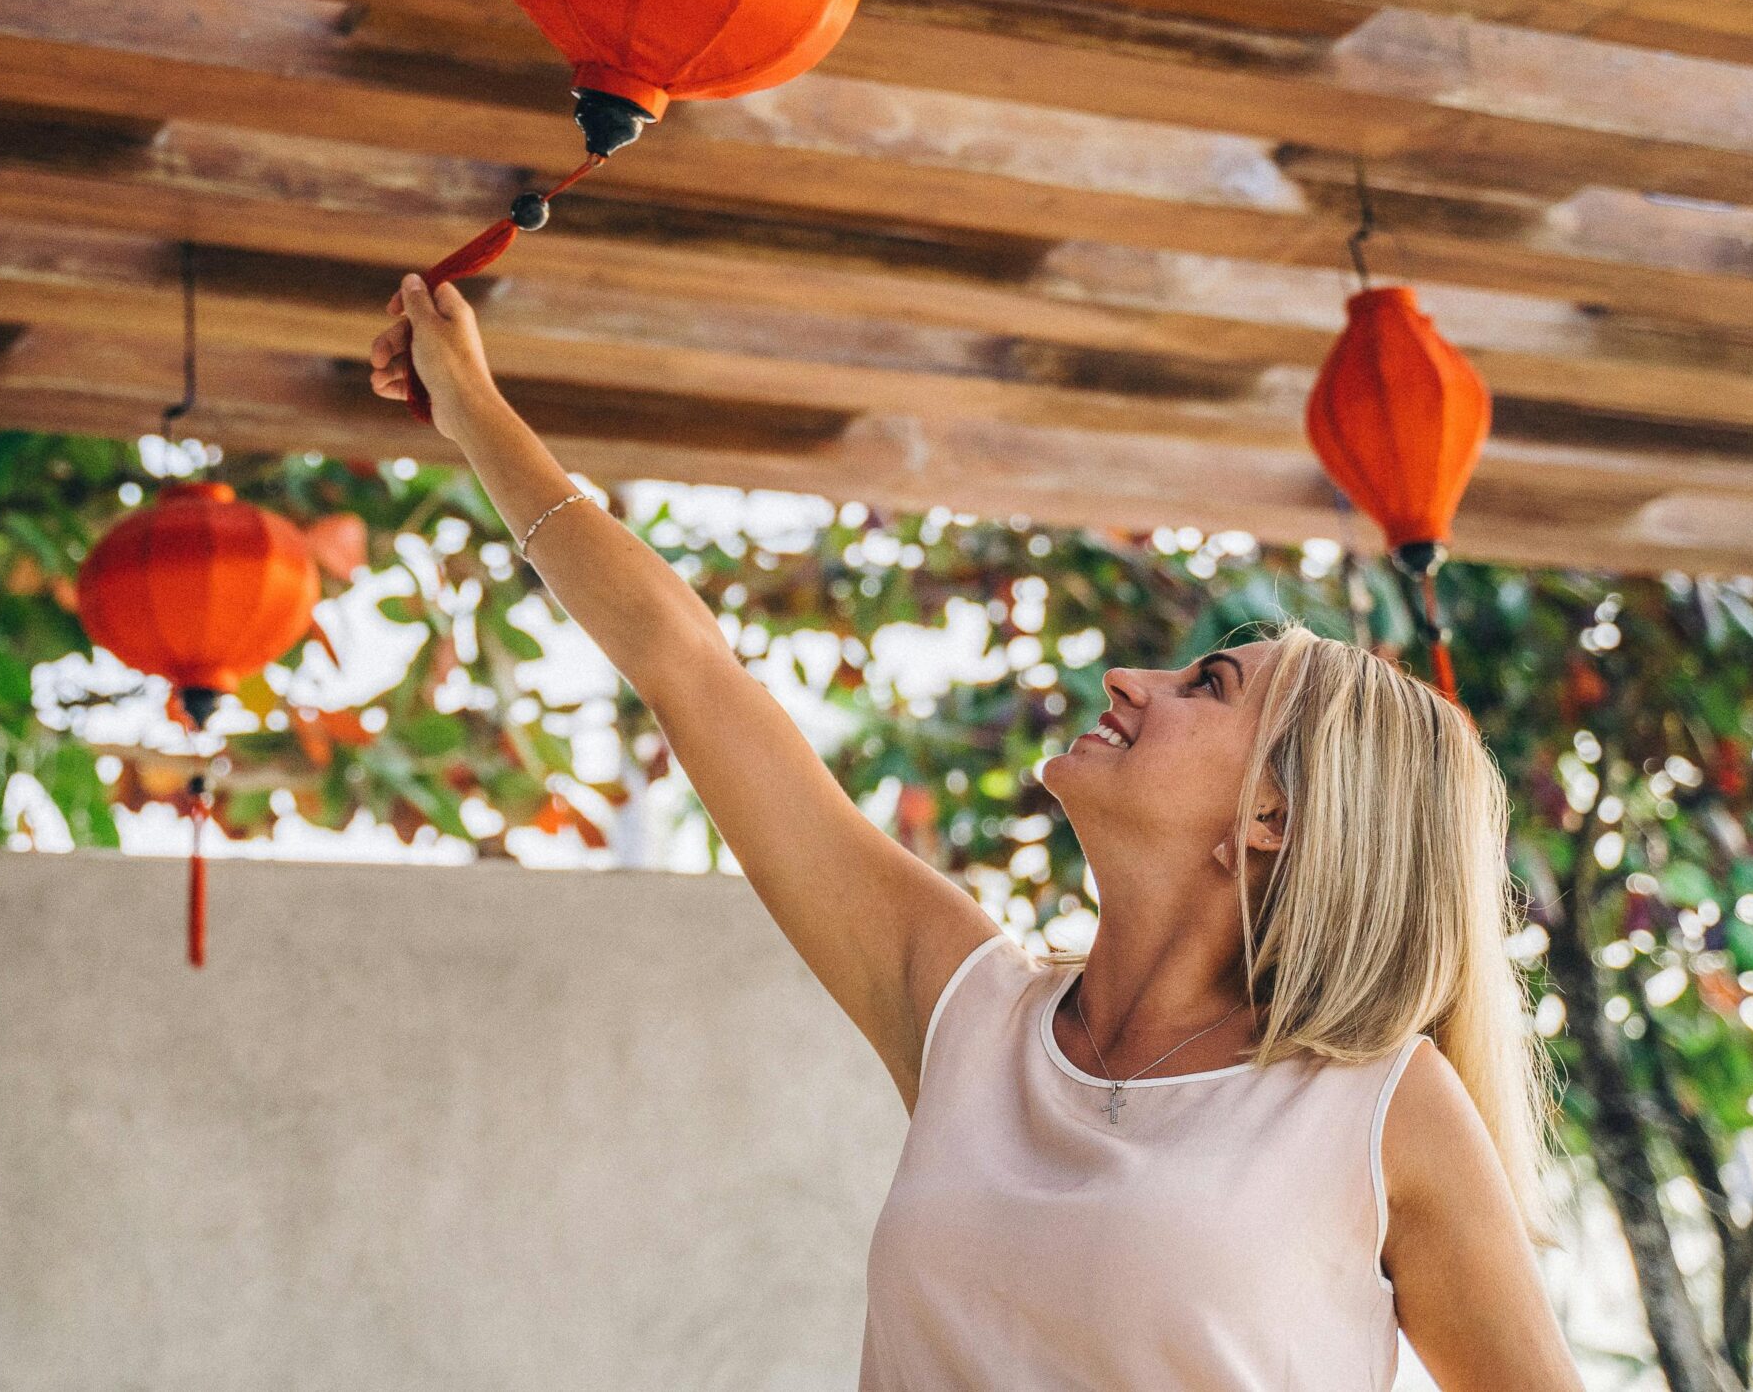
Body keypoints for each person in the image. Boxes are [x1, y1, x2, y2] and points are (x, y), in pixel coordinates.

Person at [371, 273, 1585, 1391]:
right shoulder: (969, 1014)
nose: (1129, 677)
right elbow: (686, 667)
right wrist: (470, 405)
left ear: (1273, 812)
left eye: (1207, 684)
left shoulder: (1376, 1106)